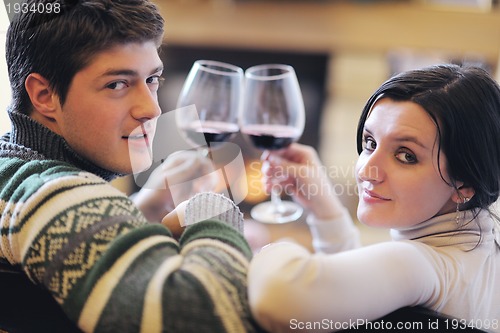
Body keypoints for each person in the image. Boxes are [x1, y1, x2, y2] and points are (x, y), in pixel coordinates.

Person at [0, 1, 262, 332]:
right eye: (117, 84)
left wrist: (143, 209)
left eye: (153, 79)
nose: (151, 109)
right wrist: (210, 208)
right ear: (44, 94)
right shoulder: (51, 192)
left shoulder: (13, 169)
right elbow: (202, 319)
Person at [248, 64, 500, 332]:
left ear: (465, 185)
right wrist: (325, 211)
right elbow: (362, 288)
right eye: (370, 143)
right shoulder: (480, 256)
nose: (367, 170)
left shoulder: (422, 265)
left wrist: (266, 246)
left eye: (405, 155)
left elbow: (278, 296)